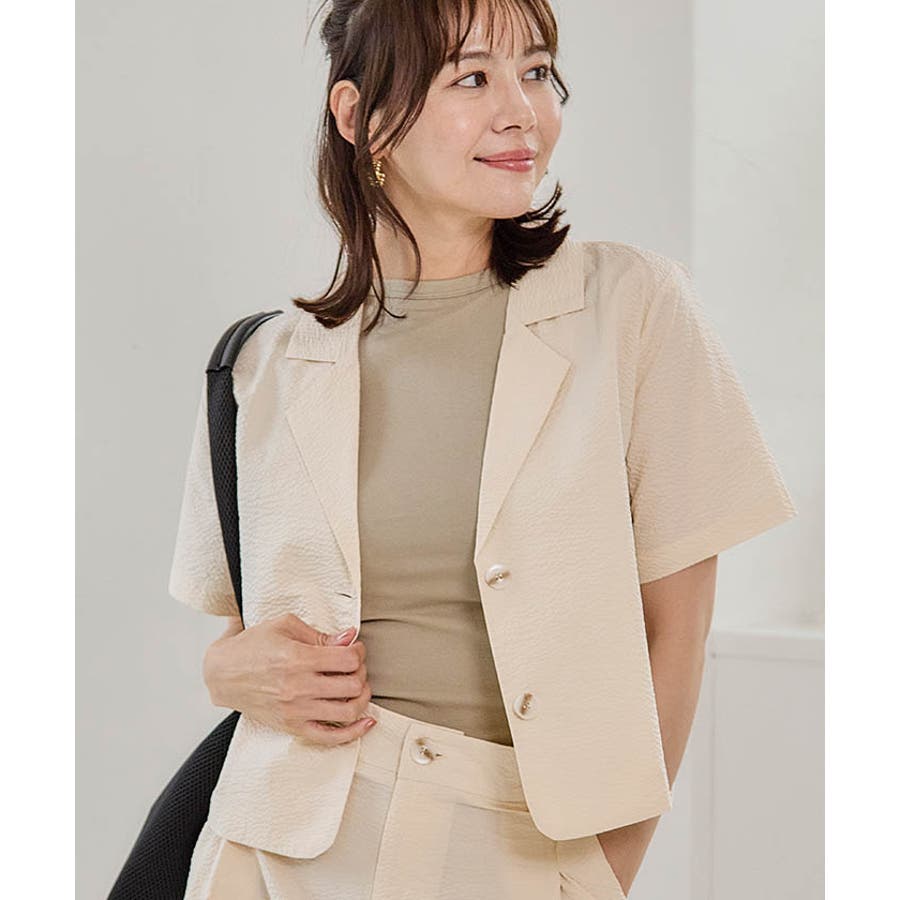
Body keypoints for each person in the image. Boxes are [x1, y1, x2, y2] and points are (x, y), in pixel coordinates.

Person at [167, 0, 798, 897]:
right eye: (472, 77)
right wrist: (223, 670)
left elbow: (677, 633)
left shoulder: (634, 308)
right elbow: (239, 637)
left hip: (517, 843)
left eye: (536, 72)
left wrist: (600, 873)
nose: (522, 111)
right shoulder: (261, 363)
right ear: (360, 116)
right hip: (273, 849)